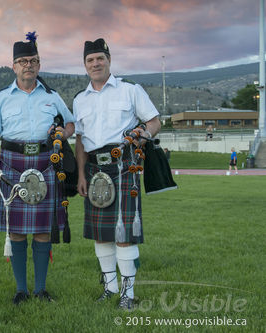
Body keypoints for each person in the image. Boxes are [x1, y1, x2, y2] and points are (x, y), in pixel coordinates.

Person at [0, 32, 75, 304]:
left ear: (39, 64)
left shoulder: (51, 96)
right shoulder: (1, 98)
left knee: (43, 229)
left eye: (33, 60)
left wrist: (62, 132)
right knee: (17, 230)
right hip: (12, 163)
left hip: (46, 164)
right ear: (13, 66)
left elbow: (71, 124)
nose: (28, 65)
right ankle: (21, 290)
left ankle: (40, 289)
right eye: (22, 61)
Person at [74, 38, 161, 310]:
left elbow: (154, 122)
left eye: (100, 58)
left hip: (124, 164)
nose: (95, 63)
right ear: (85, 65)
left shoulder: (130, 90)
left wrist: (142, 136)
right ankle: (110, 288)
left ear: (109, 60)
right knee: (101, 233)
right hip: (93, 167)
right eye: (90, 60)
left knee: (124, 234)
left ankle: (128, 293)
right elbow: (79, 141)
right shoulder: (79, 100)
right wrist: (80, 175)